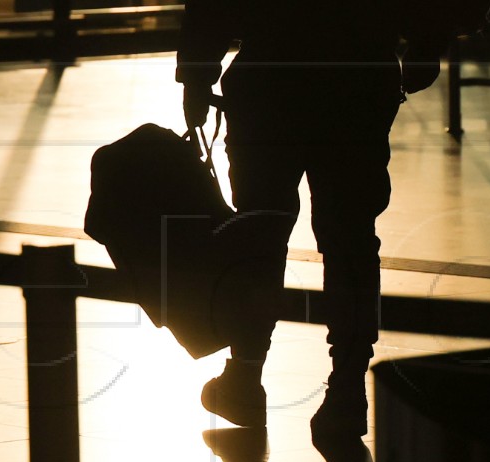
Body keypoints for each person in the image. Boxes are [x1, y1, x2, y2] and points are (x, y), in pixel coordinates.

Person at [176, 0, 449, 436]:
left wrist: (196, 73)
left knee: (260, 232)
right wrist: (425, 43)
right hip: (358, 78)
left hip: (269, 77)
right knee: (351, 238)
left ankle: (246, 376)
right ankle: (347, 386)